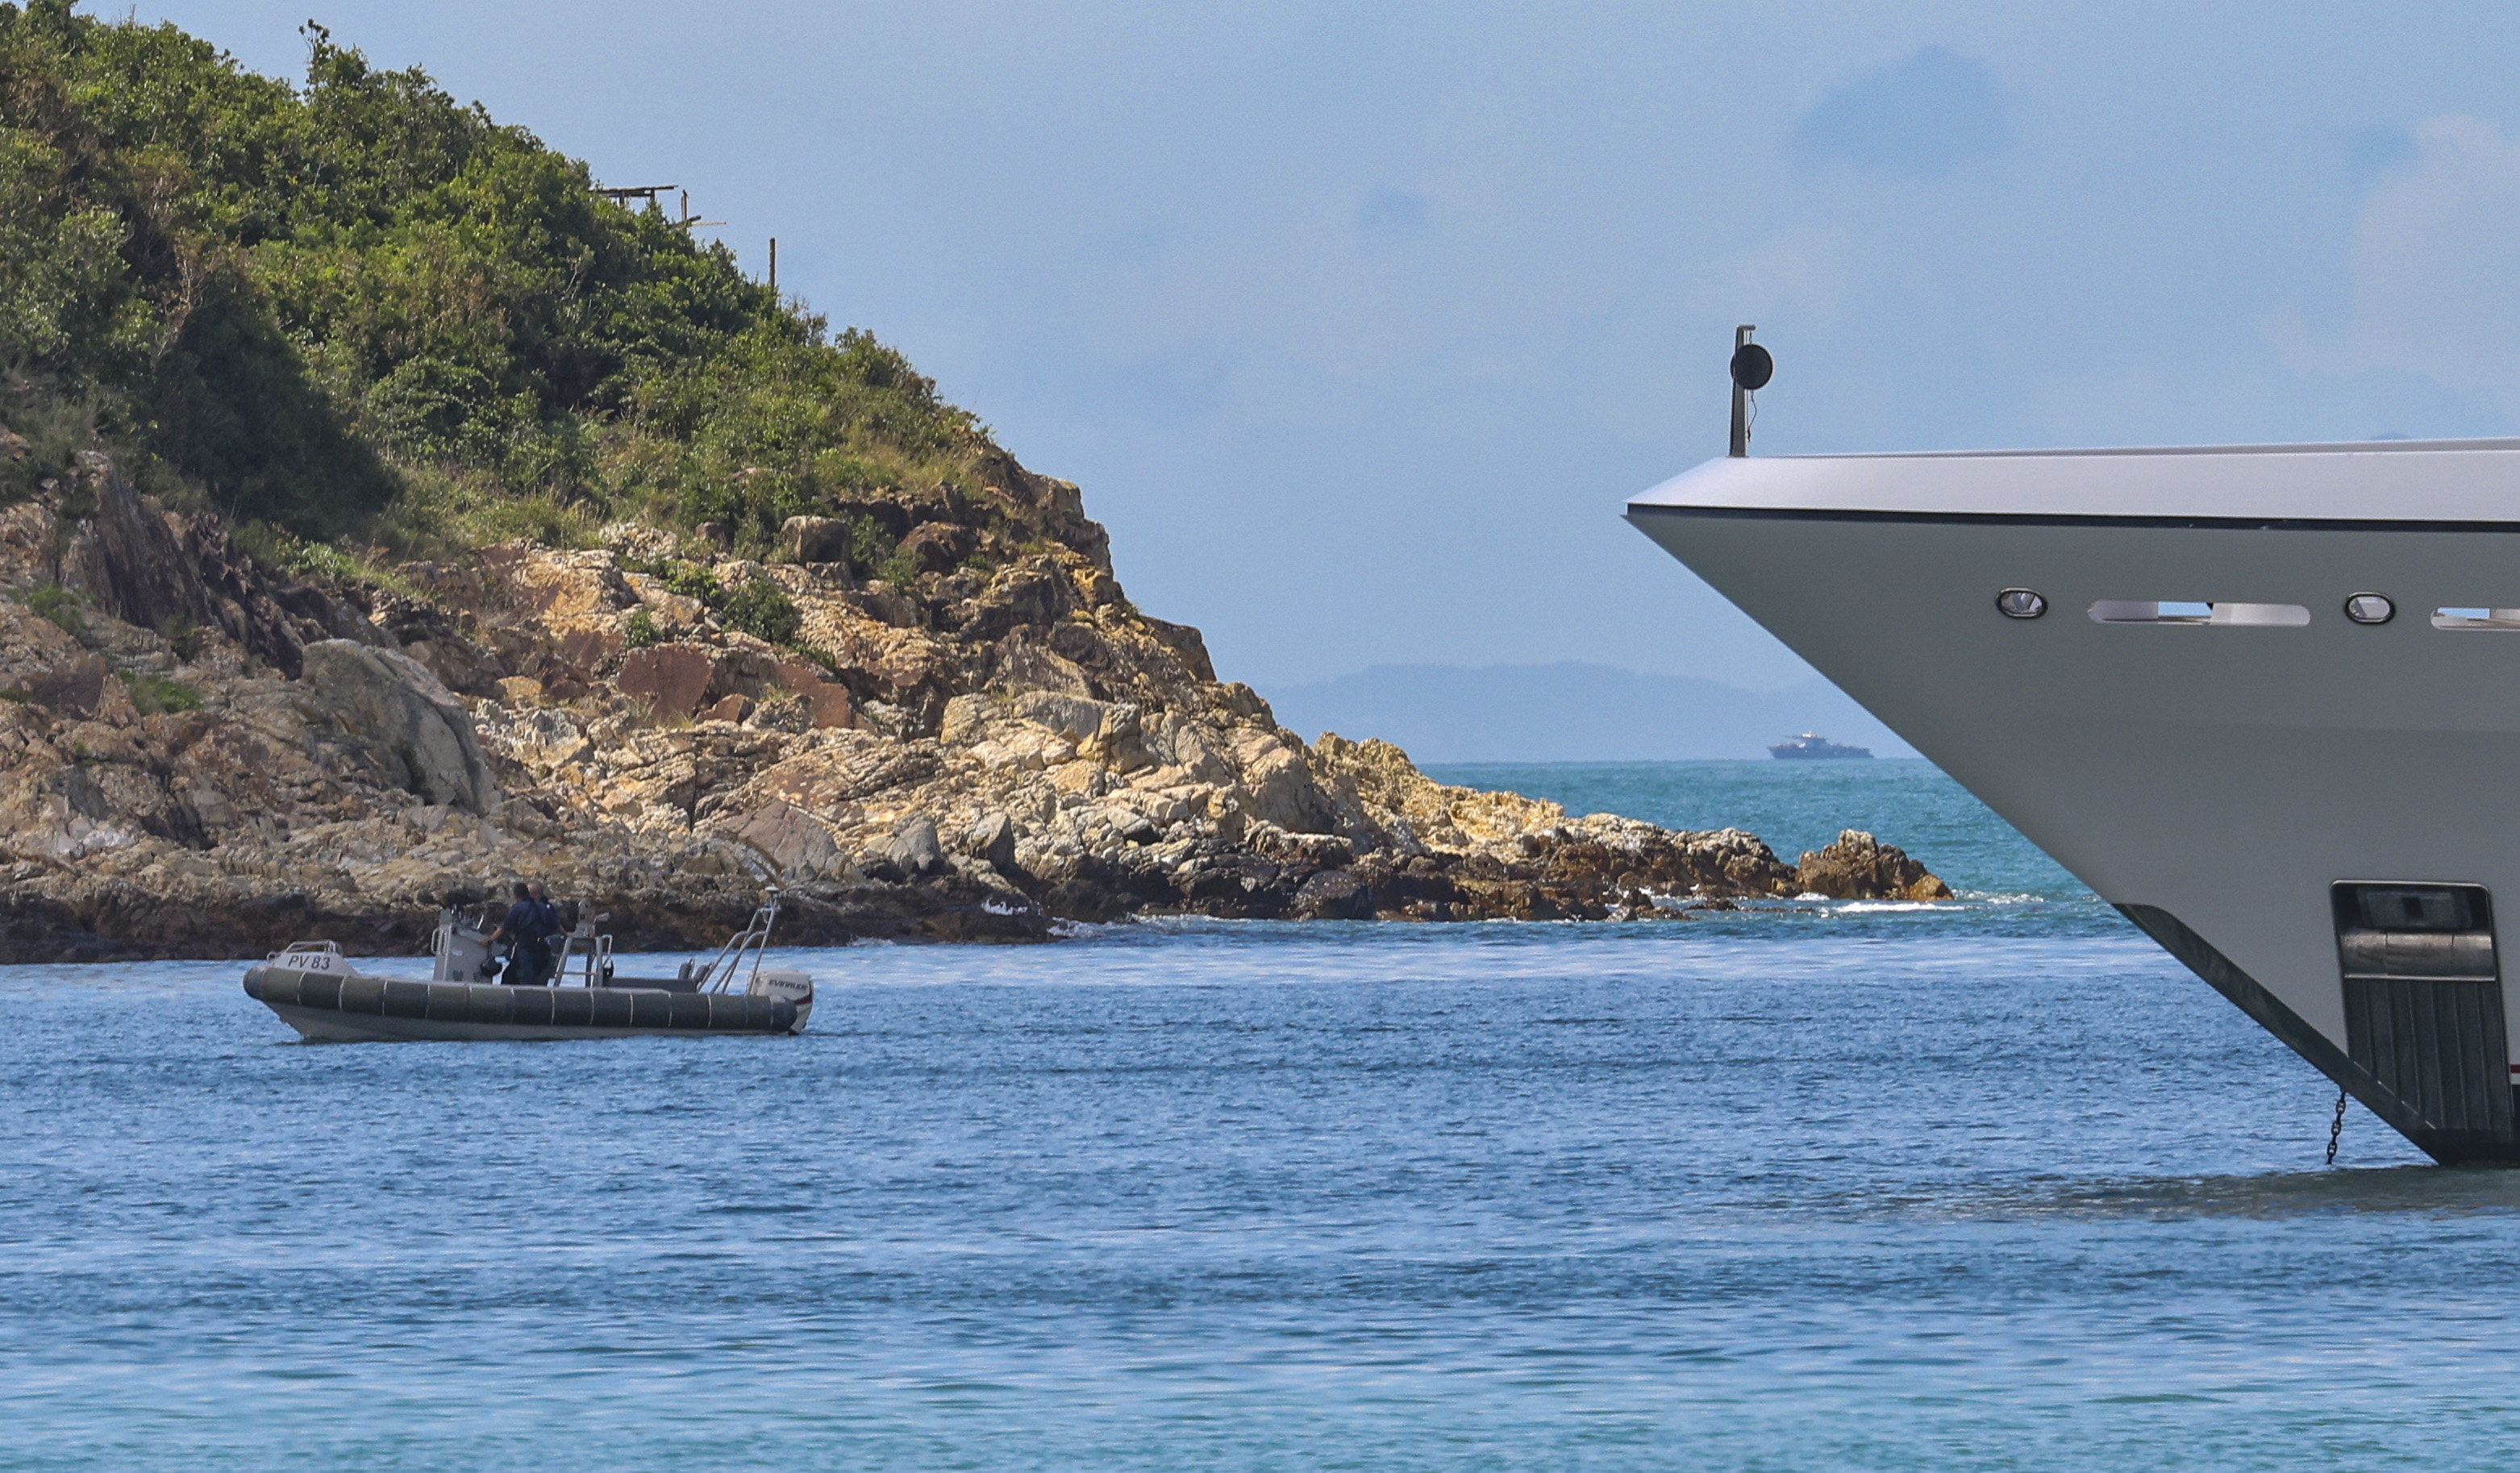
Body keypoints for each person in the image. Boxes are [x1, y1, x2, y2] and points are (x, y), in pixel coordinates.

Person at [489, 881, 557, 986]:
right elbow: (556, 926)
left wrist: (490, 940)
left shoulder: (519, 907)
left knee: (521, 977)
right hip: (542, 949)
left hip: (525, 948)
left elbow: (504, 927)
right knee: (529, 977)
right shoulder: (546, 907)